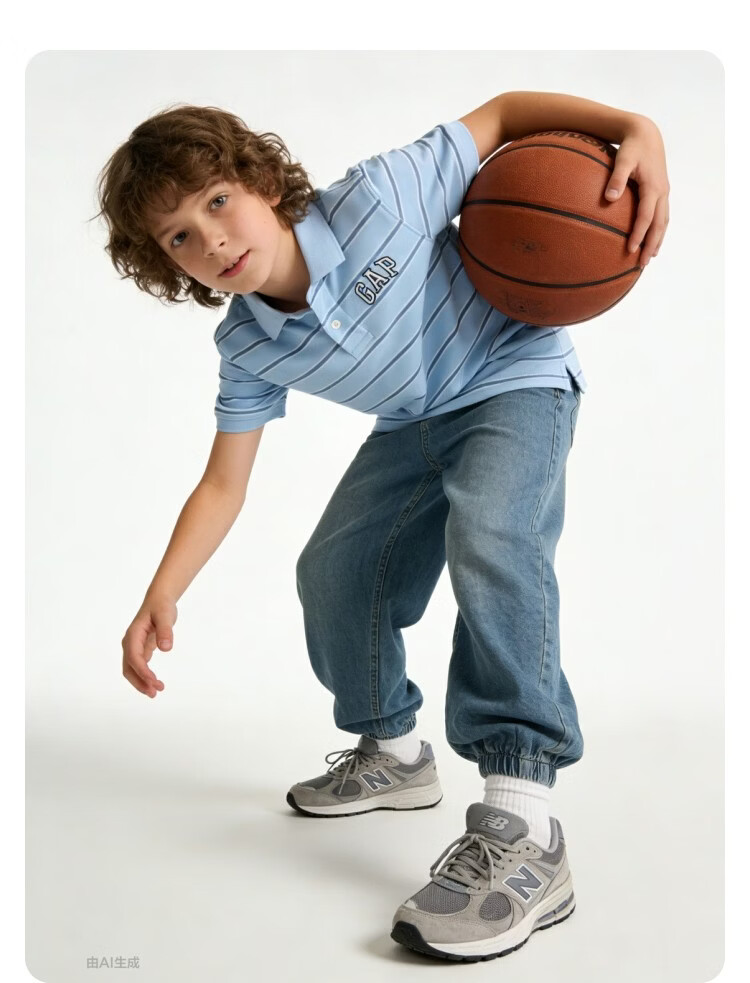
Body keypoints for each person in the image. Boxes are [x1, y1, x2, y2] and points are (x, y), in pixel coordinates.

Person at [98, 92, 669, 962]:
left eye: (217, 200)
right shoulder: (250, 345)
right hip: (415, 424)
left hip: (515, 375)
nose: (210, 239)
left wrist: (637, 130)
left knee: (493, 538)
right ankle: (395, 751)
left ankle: (526, 825)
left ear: (261, 181)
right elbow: (222, 483)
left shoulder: (384, 198)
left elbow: (504, 115)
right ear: (165, 262)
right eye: (178, 235)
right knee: (334, 571)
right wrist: (160, 591)